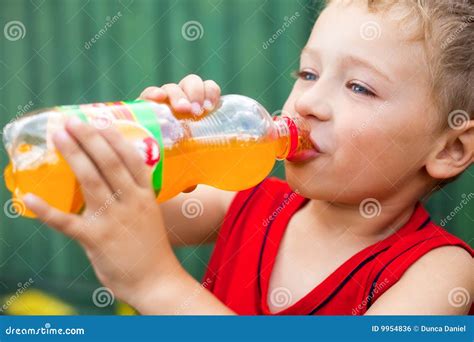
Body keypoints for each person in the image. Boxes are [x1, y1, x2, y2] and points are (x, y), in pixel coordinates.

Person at [23, 0, 473, 314]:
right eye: (308, 73)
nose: (309, 102)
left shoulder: (442, 274)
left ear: (450, 148)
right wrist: (163, 143)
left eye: (360, 87)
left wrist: (157, 286)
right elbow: (121, 210)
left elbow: (149, 271)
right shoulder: (248, 200)